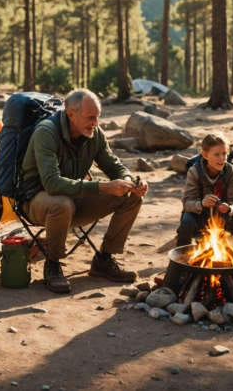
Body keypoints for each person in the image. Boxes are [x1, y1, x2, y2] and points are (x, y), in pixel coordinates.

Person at [20, 89, 149, 293]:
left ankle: (104, 260)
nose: (96, 123)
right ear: (71, 114)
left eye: (97, 116)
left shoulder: (93, 133)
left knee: (131, 197)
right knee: (61, 203)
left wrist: (130, 181)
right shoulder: (47, 132)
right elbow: (52, 184)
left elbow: (114, 165)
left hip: (73, 201)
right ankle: (52, 264)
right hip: (37, 202)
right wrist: (103, 186)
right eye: (91, 117)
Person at [178, 133, 233, 246]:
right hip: (199, 219)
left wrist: (230, 208)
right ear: (205, 155)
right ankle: (181, 258)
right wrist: (201, 203)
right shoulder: (194, 172)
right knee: (186, 222)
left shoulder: (230, 171)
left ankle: (226, 251)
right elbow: (187, 203)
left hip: (222, 218)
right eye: (217, 154)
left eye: (225, 154)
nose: (222, 159)